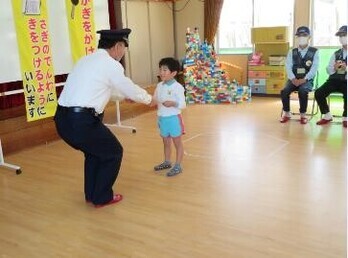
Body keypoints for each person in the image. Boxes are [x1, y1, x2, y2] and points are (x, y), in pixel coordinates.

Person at [54, 28, 155, 208]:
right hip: (82, 122)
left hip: (63, 120)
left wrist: (124, 97)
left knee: (94, 153)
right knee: (114, 152)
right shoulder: (111, 65)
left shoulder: (85, 60)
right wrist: (150, 99)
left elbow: (100, 88)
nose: (123, 52)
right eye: (124, 48)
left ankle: (92, 195)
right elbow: (127, 86)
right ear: (117, 46)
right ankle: (101, 197)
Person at [153, 57, 186, 177]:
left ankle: (178, 165)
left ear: (173, 73)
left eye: (165, 70)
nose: (161, 72)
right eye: (160, 69)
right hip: (162, 119)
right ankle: (167, 162)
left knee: (178, 144)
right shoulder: (159, 86)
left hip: (173, 119)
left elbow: (183, 104)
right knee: (166, 143)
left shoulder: (178, 87)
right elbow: (154, 100)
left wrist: (173, 103)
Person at [280, 26, 319, 124]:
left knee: (302, 91)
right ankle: (287, 113)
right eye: (299, 35)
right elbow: (288, 66)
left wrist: (304, 79)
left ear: (309, 37)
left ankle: (303, 115)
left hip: (307, 80)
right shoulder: (292, 52)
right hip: (293, 79)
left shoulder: (314, 51)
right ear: (297, 37)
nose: (302, 37)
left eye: (304, 35)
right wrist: (293, 78)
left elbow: (314, 69)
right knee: (284, 91)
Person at [315, 25, 347, 128]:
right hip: (334, 80)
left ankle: (346, 118)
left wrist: (346, 68)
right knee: (319, 92)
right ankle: (327, 115)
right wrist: (334, 67)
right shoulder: (336, 53)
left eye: (344, 35)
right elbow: (328, 70)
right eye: (340, 36)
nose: (342, 38)